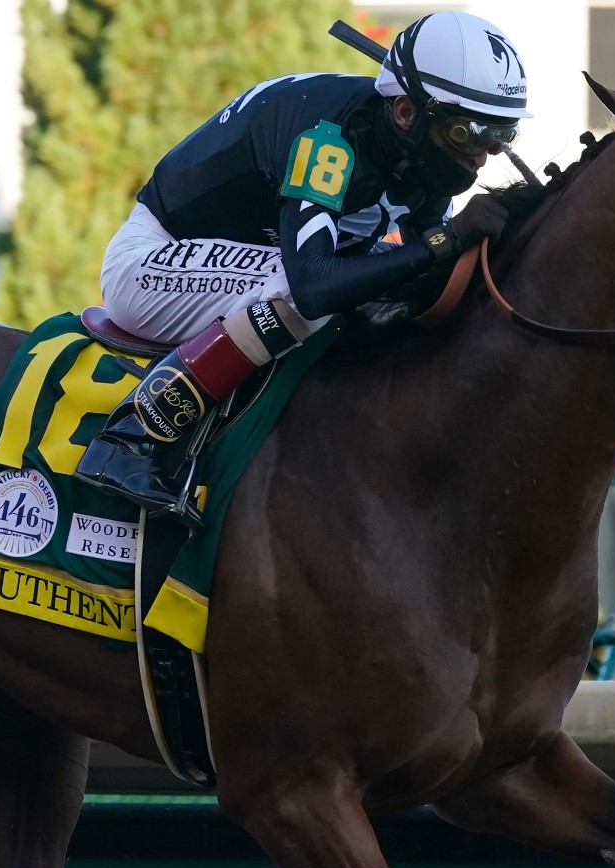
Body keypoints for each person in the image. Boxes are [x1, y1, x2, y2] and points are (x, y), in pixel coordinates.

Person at [75, 12, 530, 519]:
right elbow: (314, 284)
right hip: (151, 264)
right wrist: (442, 241)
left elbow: (420, 277)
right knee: (300, 290)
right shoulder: (327, 138)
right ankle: (132, 434)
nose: (482, 157)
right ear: (405, 112)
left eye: (498, 135)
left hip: (234, 266)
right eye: (467, 133)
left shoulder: (414, 149)